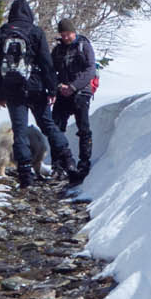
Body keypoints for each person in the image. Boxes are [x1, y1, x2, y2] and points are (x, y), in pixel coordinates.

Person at [0, 0, 75, 189]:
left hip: (12, 90)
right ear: (29, 13)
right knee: (49, 125)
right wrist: (51, 89)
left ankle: (25, 175)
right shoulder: (35, 32)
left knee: (19, 132)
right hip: (36, 88)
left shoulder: (1, 32)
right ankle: (69, 162)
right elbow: (46, 63)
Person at [50, 16, 100, 187]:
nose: (65, 37)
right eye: (63, 34)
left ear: (74, 32)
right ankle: (59, 164)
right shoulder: (57, 51)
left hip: (81, 91)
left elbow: (90, 70)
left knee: (83, 128)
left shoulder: (84, 46)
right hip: (62, 92)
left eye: (68, 34)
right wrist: (58, 86)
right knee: (55, 127)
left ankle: (84, 163)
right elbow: (50, 70)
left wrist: (73, 86)